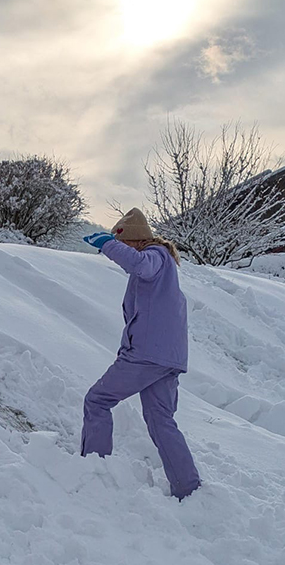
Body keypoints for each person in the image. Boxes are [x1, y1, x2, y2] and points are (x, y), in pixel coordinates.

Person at [81, 209, 200, 500]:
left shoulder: (155, 256)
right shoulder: (164, 268)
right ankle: (189, 489)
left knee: (97, 401)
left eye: (124, 244)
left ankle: (93, 471)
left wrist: (108, 244)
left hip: (147, 356)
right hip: (167, 358)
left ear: (134, 241)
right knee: (161, 420)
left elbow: (140, 265)